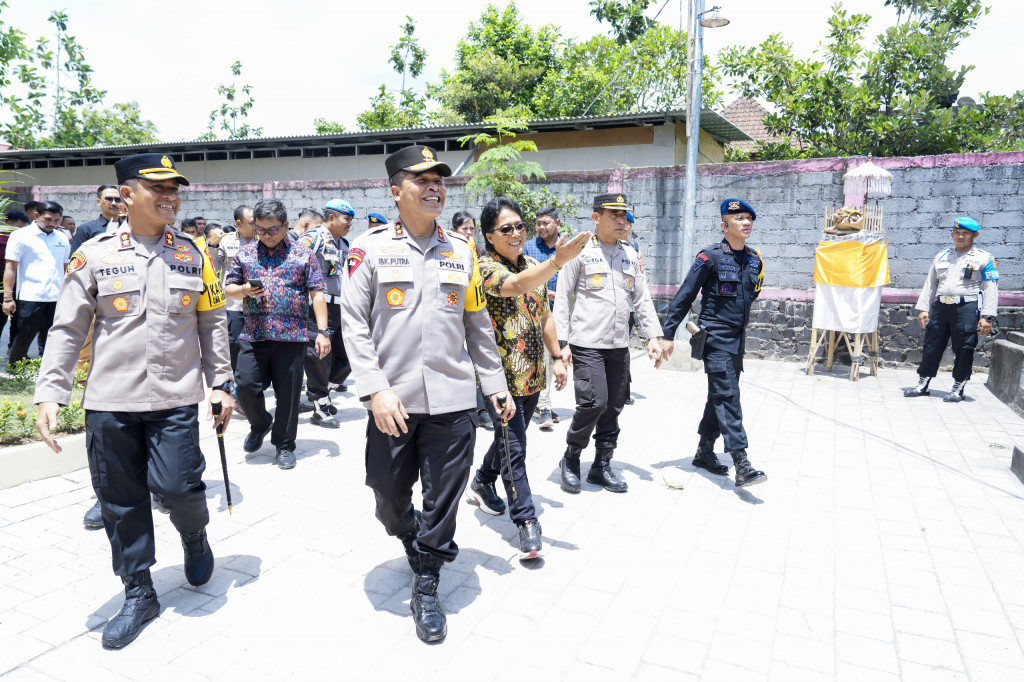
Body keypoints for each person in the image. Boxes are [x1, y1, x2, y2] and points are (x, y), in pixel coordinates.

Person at [33, 152, 233, 649]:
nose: (171, 196)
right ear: (126, 196)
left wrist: (222, 383)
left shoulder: (194, 253)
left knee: (181, 487)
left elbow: (212, 322)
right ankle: (139, 591)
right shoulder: (94, 254)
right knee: (120, 502)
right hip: (111, 400)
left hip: (175, 398)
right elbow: (67, 327)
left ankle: (193, 534)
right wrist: (52, 390)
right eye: (158, 188)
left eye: (175, 189)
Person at [339, 144, 510, 643]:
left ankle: (429, 579)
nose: (435, 185)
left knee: (444, 500)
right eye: (422, 179)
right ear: (396, 191)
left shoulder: (462, 252)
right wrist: (374, 390)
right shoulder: (366, 249)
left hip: (454, 402)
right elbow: (353, 324)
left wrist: (495, 386)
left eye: (440, 179)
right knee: (388, 496)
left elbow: (477, 327)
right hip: (392, 403)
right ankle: (412, 537)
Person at [466, 196, 589, 559]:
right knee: (515, 449)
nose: (517, 233)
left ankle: (483, 480)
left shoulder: (536, 264)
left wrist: (558, 356)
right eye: (507, 228)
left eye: (521, 225)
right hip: (499, 383)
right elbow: (516, 285)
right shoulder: (485, 269)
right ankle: (526, 521)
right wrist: (558, 261)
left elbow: (546, 316)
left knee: (508, 441)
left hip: (533, 377)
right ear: (490, 236)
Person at [554, 193, 667, 494]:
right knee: (594, 402)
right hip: (586, 341)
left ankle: (602, 465)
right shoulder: (578, 252)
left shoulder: (630, 254)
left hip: (618, 344)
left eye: (624, 215)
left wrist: (653, 336)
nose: (620, 221)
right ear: (596, 218)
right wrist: (561, 344)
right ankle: (571, 457)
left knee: (614, 406)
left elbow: (641, 299)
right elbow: (563, 298)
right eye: (613, 215)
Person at [661, 198, 767, 488]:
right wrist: (667, 335)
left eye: (749, 218)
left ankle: (704, 451)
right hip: (715, 338)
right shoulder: (709, 258)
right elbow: (685, 295)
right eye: (739, 218)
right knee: (729, 396)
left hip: (738, 339)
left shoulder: (754, 258)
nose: (746, 223)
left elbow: (751, 296)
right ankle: (741, 462)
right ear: (724, 225)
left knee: (719, 395)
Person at [224, 198, 330, 470]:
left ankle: (284, 444)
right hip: (254, 334)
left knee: (288, 395)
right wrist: (245, 290)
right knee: (245, 386)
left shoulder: (303, 254)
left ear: (285, 225)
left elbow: (317, 293)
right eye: (260, 229)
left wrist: (322, 331)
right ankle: (260, 423)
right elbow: (229, 289)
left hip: (291, 337)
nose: (266, 235)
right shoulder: (245, 254)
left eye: (272, 229)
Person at [904, 216, 998, 403]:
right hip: (940, 307)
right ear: (952, 234)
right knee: (932, 346)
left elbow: (991, 288)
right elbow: (930, 283)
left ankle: (958, 387)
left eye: (966, 234)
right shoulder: (941, 256)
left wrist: (987, 317)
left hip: (967, 308)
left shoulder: (984, 258)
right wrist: (923, 308)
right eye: (957, 233)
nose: (961, 237)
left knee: (964, 348)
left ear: (975, 235)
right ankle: (923, 383)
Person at [300, 199, 353, 428]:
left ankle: (324, 392)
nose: (350, 223)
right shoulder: (314, 238)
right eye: (346, 218)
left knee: (347, 357)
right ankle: (320, 407)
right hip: (318, 308)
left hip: (342, 307)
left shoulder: (343, 243)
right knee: (319, 357)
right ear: (332, 218)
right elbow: (295, 266)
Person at [3, 201, 71, 365]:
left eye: (57, 220)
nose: (52, 224)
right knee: (25, 334)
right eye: (48, 219)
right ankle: (16, 368)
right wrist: (7, 298)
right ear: (36, 215)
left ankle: (48, 369)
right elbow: (11, 267)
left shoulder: (62, 237)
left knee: (53, 336)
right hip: (31, 295)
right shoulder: (20, 236)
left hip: (57, 297)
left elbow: (66, 268)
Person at [449, 210, 494, 431]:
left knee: (479, 360)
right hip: (455, 313)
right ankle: (475, 408)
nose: (468, 233)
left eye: (471, 229)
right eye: (464, 229)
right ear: (453, 230)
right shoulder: (450, 251)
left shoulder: (480, 251)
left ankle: (483, 407)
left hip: (475, 311)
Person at [524, 205, 563, 430]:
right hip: (534, 312)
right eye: (538, 223)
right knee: (539, 359)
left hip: (559, 314)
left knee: (551, 358)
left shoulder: (565, 248)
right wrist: (539, 290)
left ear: (557, 223)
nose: (541, 227)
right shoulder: (529, 247)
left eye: (545, 223)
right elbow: (522, 276)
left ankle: (542, 403)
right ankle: (543, 405)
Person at [216, 205, 256, 381]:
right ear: (239, 223)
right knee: (235, 345)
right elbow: (214, 267)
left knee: (255, 346)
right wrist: (211, 244)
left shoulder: (263, 240)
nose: (256, 226)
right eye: (252, 222)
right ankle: (236, 384)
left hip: (257, 303)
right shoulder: (227, 242)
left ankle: (249, 382)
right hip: (234, 304)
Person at [0, 211, 29, 345]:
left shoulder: (24, 240)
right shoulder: (2, 239)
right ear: (8, 223)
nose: (21, 230)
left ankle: (13, 351)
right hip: (3, 286)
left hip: (20, 287)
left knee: (18, 321)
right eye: (18, 227)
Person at [72, 186, 126, 253]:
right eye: (109, 199)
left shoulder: (128, 228)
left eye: (117, 199)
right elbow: (76, 258)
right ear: (98, 202)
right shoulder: (86, 229)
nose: (114, 203)